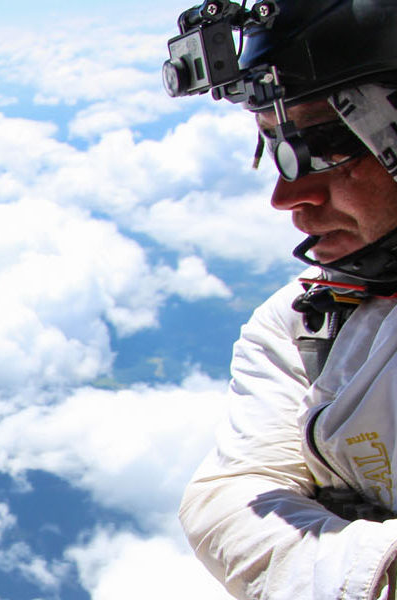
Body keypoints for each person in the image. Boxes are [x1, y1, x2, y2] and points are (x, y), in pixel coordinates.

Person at [161, 0, 397, 597]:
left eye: (324, 144)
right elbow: (229, 499)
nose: (287, 194)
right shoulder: (307, 321)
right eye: (277, 147)